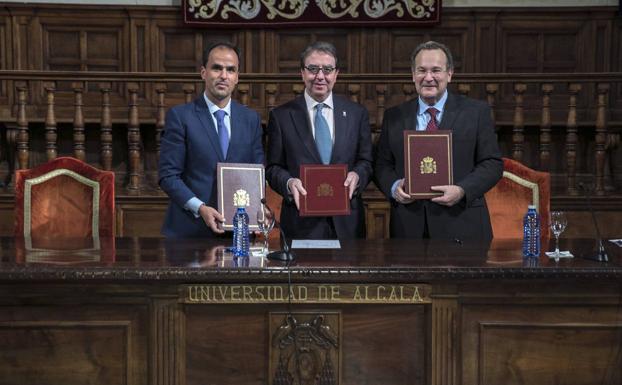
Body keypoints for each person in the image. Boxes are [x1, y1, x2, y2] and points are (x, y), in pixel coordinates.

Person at [374, 40, 502, 240]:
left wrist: (462, 190)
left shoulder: (476, 112)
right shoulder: (394, 116)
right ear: (413, 74)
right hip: (409, 228)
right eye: (421, 70)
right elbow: (382, 164)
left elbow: (492, 164)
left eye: (436, 70)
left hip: (463, 223)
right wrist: (394, 187)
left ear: (449, 74)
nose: (428, 78)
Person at [266, 41, 373, 239]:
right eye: (313, 69)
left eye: (327, 69)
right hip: (300, 224)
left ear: (336, 74)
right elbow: (272, 168)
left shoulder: (356, 114)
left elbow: (366, 161)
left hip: (347, 223)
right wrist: (289, 183)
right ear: (302, 73)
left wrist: (357, 176)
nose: (320, 76)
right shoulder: (281, 116)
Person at [159, 42, 264, 237]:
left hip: (238, 233)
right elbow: (168, 176)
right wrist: (200, 208)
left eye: (231, 70)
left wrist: (257, 208)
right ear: (203, 73)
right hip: (190, 230)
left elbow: (257, 172)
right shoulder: (181, 117)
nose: (224, 75)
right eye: (217, 68)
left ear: (237, 78)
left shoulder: (251, 119)